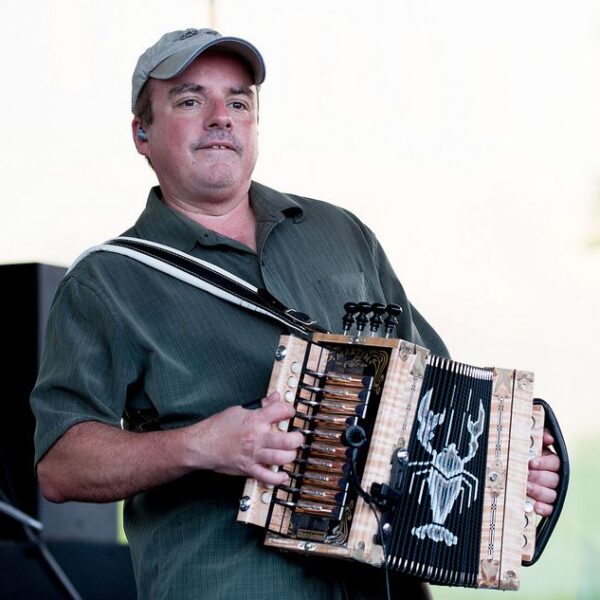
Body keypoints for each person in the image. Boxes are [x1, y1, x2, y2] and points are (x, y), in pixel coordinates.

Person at [31, 28, 560, 599]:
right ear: (142, 132)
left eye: (238, 102)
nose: (220, 117)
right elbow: (60, 466)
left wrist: (516, 468)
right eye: (190, 100)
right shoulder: (106, 280)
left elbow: (443, 398)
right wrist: (200, 446)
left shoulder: (340, 232)